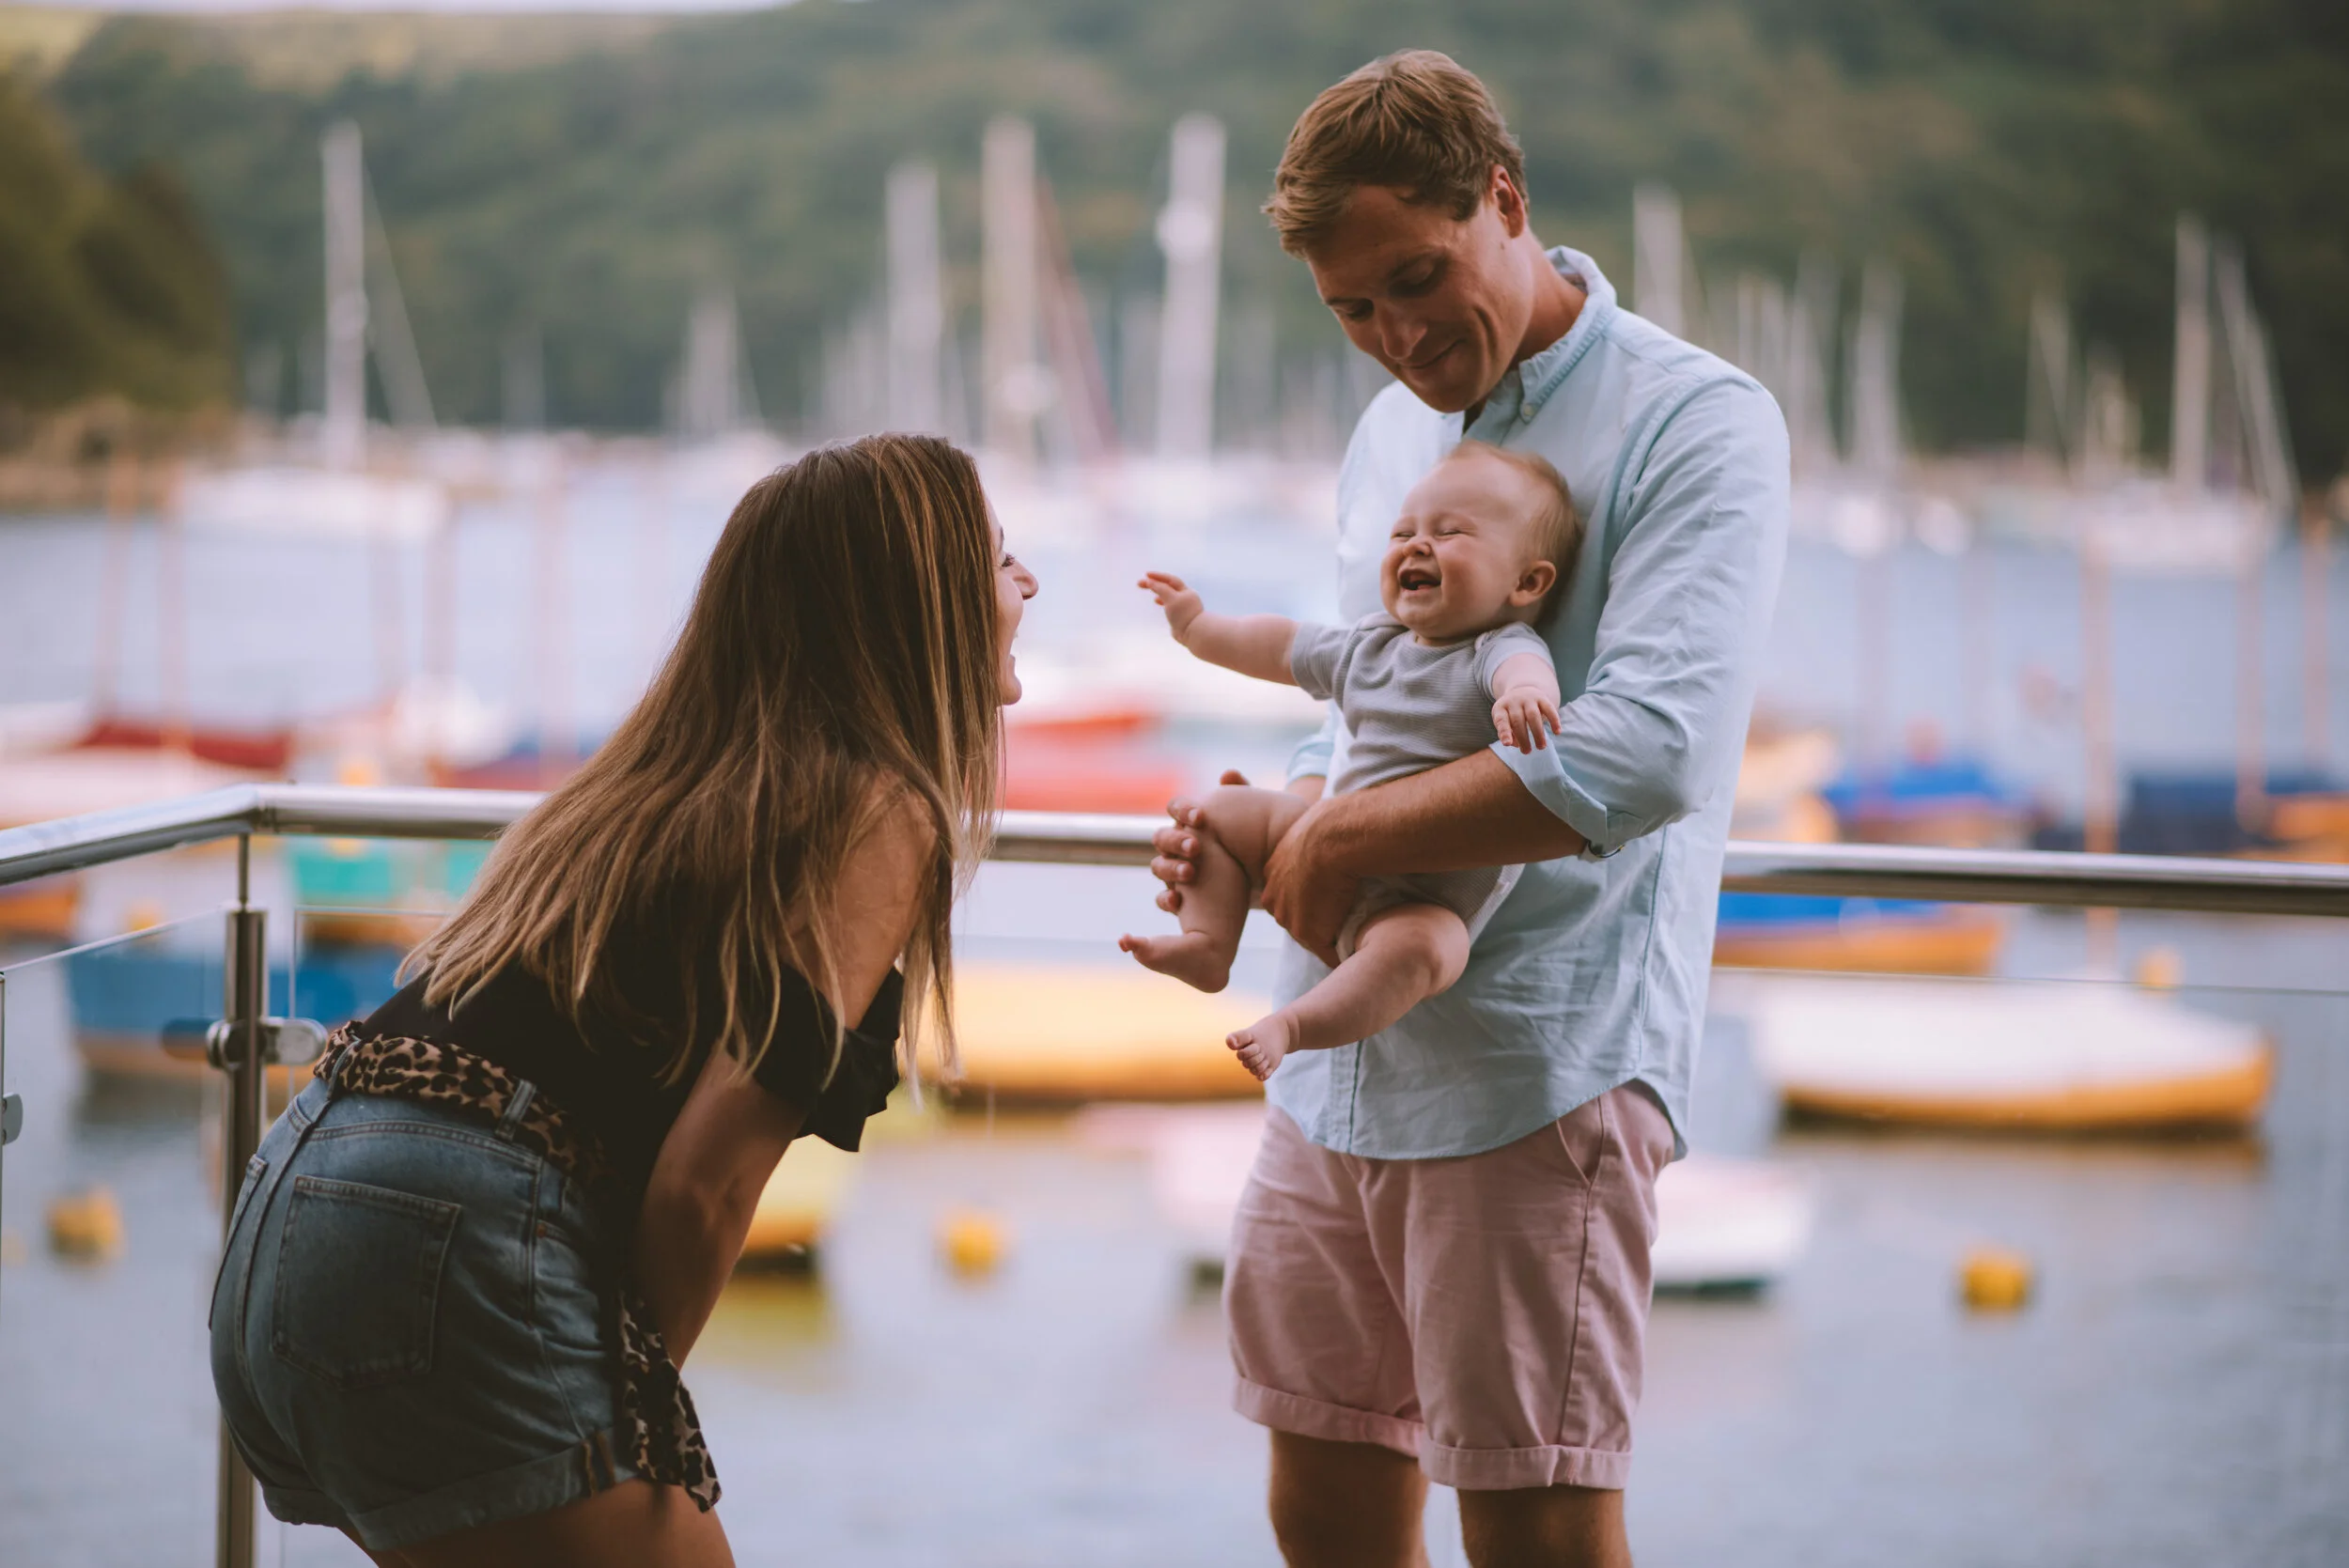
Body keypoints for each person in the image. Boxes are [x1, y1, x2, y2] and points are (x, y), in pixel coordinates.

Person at [1149, 52, 1789, 1568]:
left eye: (1417, 278)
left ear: (1503, 197)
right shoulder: (1391, 435)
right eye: (1354, 308)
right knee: (1320, 1503)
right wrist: (1274, 816)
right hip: (1334, 1057)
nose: (1396, 335)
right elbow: (1359, 702)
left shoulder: (1698, 421)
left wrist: (1342, 839)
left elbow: (1651, 750)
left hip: (1536, 1065)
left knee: (1541, 1523)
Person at [209, 434, 1037, 1568]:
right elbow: (707, 1183)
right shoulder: (879, 806)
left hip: (293, 1208)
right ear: (922, 603)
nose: (1028, 586)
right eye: (1001, 562)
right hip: (445, 1235)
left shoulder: (643, 787)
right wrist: (641, 1412)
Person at [1121, 441, 1581, 1082]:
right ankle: (1208, 946)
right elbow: (1280, 643)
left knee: (1429, 947)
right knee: (1219, 809)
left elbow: (1526, 672)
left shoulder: (1495, 650)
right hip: (1319, 837)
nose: (1416, 545)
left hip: (1421, 898)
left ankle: (1294, 1024)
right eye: (1404, 532)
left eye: (1450, 533)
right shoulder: (1369, 644)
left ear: (1526, 582)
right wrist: (1200, 627)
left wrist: (1528, 696)